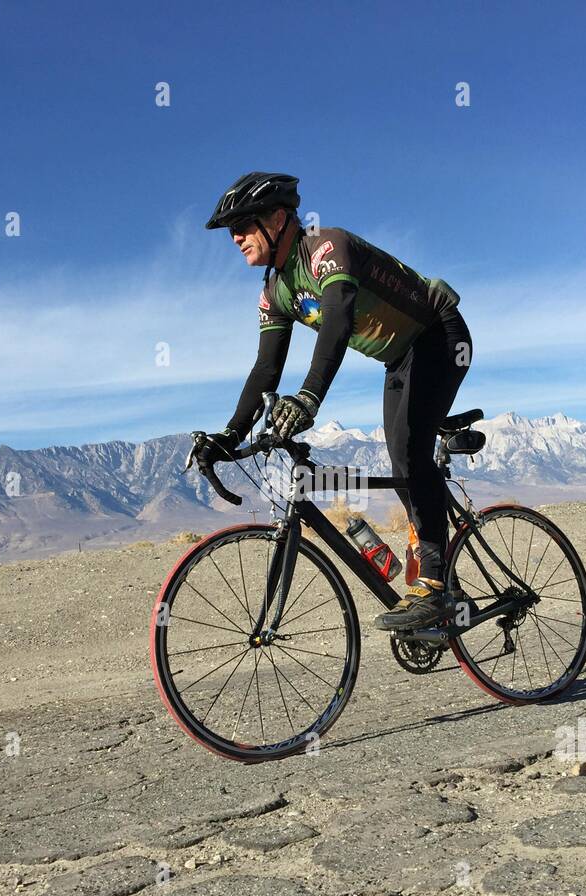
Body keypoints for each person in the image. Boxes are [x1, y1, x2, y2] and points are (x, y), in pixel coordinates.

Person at [194, 171, 473, 630]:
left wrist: (308, 398)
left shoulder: (327, 245)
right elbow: (266, 368)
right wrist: (229, 435)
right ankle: (441, 582)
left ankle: (438, 588)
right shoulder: (274, 291)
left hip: (439, 336)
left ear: (278, 218)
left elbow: (337, 321)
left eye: (243, 225)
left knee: (407, 451)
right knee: (400, 456)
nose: (235, 237)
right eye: (231, 230)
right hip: (401, 357)